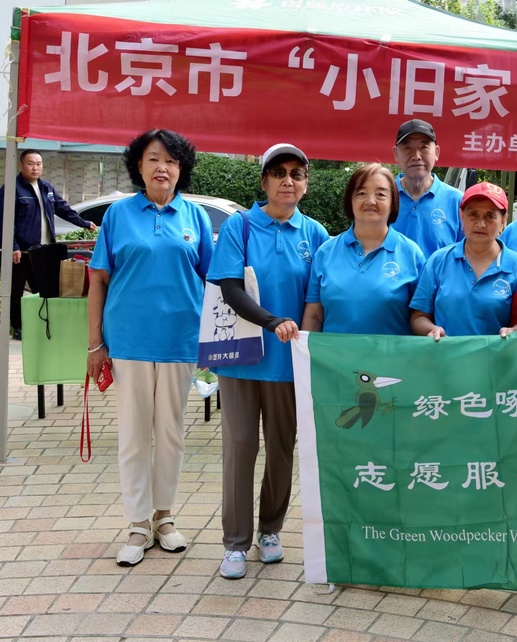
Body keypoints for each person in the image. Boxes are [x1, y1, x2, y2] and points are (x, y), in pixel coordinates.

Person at [86, 130, 213, 567]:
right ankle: (138, 523)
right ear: (138, 166)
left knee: (171, 433)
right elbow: (98, 280)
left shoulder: (195, 217)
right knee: (134, 435)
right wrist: (94, 344)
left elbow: (213, 283)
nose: (163, 167)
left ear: (181, 169)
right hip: (129, 341)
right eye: (154, 159)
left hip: (180, 341)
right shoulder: (118, 215)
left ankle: (165, 516)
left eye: (172, 161)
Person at [208, 143, 330, 579]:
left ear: (305, 184)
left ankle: (271, 531)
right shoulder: (240, 226)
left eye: (296, 174)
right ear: (264, 181)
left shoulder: (315, 234)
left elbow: (322, 296)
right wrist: (272, 320)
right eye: (279, 173)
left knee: (281, 448)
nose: (287, 181)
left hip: (289, 362)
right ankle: (235, 543)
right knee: (241, 445)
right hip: (242, 358)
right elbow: (229, 287)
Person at [301, 163, 425, 335]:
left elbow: (421, 316)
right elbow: (314, 317)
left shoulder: (411, 254)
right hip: (334, 353)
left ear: (393, 202)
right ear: (350, 200)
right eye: (361, 193)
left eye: (381, 194)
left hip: (391, 353)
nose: (370, 201)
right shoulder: (325, 253)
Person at [409, 182, 517, 338]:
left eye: (490, 216)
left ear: (503, 221)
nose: (481, 224)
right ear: (461, 216)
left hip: (496, 354)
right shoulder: (438, 261)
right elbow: (418, 317)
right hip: (445, 353)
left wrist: (513, 332)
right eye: (473, 214)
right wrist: (432, 330)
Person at [1, 149, 95, 339]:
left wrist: (84, 223)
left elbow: (64, 209)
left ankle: (41, 324)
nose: (35, 168)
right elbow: (4, 220)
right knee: (16, 292)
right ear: (20, 165)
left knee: (44, 290)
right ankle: (18, 327)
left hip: (43, 252)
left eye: (39, 164)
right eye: (30, 164)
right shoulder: (11, 189)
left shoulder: (46, 187)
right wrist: (13, 246)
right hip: (22, 252)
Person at [392, 118, 463, 256]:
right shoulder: (383, 197)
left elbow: (468, 255)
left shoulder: (457, 201)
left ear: (436, 152)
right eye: (407, 148)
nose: (416, 156)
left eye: (424, 147)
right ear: (395, 154)